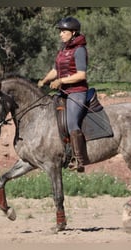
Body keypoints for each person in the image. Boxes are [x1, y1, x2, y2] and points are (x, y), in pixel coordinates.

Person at [38, 17, 89, 172]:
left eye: (64, 31)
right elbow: (55, 70)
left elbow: (81, 75)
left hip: (77, 92)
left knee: (71, 122)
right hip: (64, 92)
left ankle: (79, 160)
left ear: (73, 33)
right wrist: (44, 80)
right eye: (60, 31)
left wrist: (61, 81)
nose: (61, 34)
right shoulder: (63, 50)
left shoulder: (79, 50)